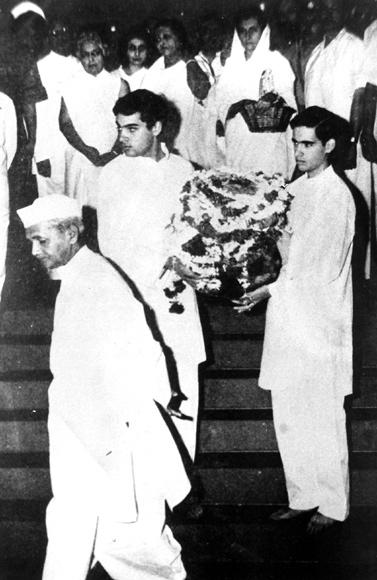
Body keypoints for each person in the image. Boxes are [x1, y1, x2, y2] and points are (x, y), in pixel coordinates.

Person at [17, 194, 190, 580]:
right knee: (82, 523)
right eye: (30, 240)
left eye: (41, 240)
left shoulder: (97, 279)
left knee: (128, 529)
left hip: (103, 429)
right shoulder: (79, 277)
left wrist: (147, 407)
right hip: (81, 426)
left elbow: (144, 347)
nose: (33, 250)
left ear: (71, 232)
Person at [235, 106, 355, 533]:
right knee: (288, 409)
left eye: (308, 144)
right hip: (289, 316)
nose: (299, 151)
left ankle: (334, 505)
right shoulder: (297, 187)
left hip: (319, 322)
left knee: (322, 414)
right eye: (296, 143)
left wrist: (267, 289)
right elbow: (286, 255)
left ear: (330, 146)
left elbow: (318, 270)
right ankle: (302, 497)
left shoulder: (338, 196)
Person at [96, 90, 206, 461]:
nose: (122, 137)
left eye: (131, 128)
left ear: (157, 128)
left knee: (183, 379)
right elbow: (110, 245)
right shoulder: (110, 174)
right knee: (141, 389)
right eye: (119, 128)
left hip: (177, 295)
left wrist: (190, 263)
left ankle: (185, 480)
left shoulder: (183, 170)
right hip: (135, 296)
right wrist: (161, 264)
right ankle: (153, 484)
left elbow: (192, 231)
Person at [216, 7, 297, 178]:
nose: (248, 36)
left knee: (269, 191)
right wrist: (238, 107)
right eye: (243, 31)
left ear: (263, 30)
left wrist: (274, 99)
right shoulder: (230, 65)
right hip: (238, 139)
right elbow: (220, 102)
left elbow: (290, 105)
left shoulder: (277, 61)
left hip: (268, 144)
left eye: (253, 30)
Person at [60, 31, 129, 207]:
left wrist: (114, 152)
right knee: (82, 213)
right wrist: (86, 150)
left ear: (103, 52)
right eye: (85, 55)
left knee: (113, 208)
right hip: (81, 156)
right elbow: (65, 123)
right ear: (79, 57)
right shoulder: (71, 85)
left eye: (95, 54)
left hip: (114, 155)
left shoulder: (119, 84)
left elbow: (128, 123)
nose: (91, 60)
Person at [21, 12, 78, 198]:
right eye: (55, 33)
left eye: (65, 31)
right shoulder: (40, 68)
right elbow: (33, 114)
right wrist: (40, 154)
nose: (61, 36)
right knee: (53, 208)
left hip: (77, 150)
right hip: (51, 151)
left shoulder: (78, 63)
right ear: (48, 37)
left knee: (77, 204)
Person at [141, 19, 195, 160]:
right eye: (158, 39)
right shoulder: (154, 70)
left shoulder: (191, 66)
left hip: (186, 144)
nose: (162, 43)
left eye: (167, 37)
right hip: (158, 146)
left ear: (179, 38)